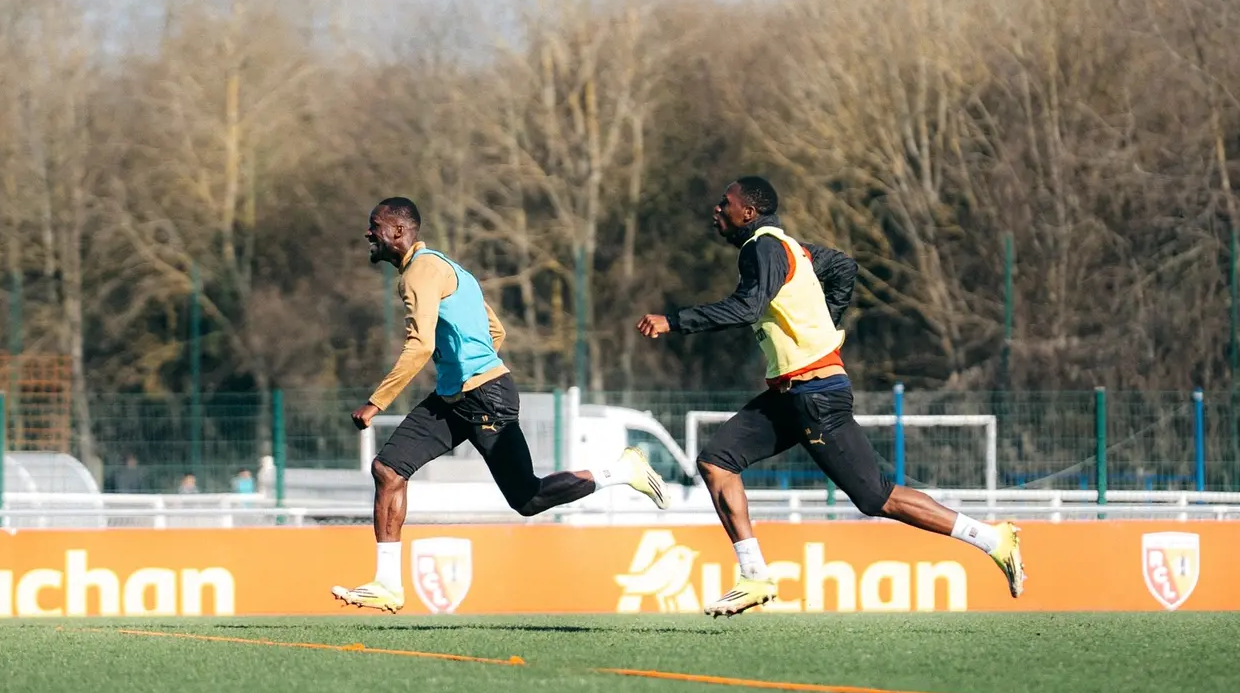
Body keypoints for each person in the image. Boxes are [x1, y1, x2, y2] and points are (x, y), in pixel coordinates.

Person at [637, 176, 1024, 617]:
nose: (716, 209)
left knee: (877, 498)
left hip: (816, 395)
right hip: (792, 393)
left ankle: (994, 540)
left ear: (749, 211)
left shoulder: (762, 248)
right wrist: (827, 324)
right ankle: (754, 576)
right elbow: (843, 267)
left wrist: (675, 320)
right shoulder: (790, 248)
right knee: (716, 461)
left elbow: (746, 307)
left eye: (725, 202)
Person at [332, 197, 669, 613]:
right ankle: (387, 584)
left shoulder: (419, 273)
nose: (369, 233)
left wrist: (376, 402)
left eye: (375, 226)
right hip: (461, 395)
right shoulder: (451, 269)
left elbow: (420, 345)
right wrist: (469, 368)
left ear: (399, 232)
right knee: (388, 468)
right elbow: (496, 329)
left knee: (527, 498)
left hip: (484, 397)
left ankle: (622, 470)